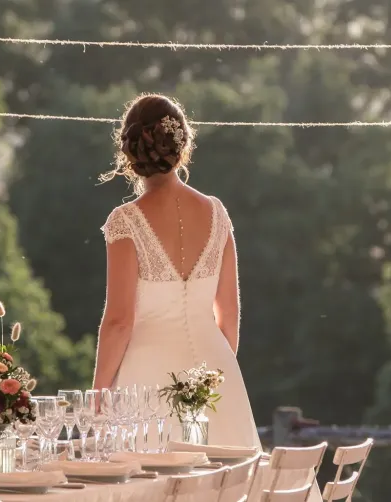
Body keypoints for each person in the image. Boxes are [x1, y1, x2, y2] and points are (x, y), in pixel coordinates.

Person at [92, 93, 260, 449]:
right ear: (183, 147)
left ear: (129, 152)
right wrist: (214, 375)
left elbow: (120, 321)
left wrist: (98, 396)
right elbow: (229, 313)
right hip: (215, 375)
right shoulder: (217, 213)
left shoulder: (125, 221)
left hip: (146, 378)